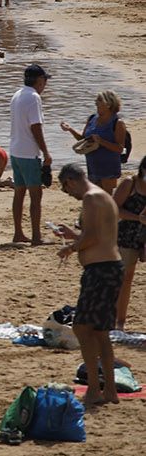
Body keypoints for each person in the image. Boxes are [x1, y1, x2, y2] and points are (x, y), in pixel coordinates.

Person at [57, 162, 124, 406]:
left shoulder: (90, 198)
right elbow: (99, 236)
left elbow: (93, 237)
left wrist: (71, 247)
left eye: (67, 190)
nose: (70, 195)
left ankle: (95, 389)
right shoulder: (102, 196)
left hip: (101, 271)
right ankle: (109, 390)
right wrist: (74, 237)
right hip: (108, 267)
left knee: (82, 327)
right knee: (100, 332)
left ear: (71, 181)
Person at [8, 64, 53, 245]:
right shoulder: (34, 97)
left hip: (15, 150)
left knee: (19, 193)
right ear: (39, 80)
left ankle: (18, 233)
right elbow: (36, 127)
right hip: (28, 153)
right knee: (36, 195)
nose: (45, 84)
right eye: (45, 80)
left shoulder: (17, 94)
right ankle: (36, 236)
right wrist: (46, 152)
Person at [61, 90, 127, 193]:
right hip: (92, 166)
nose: (96, 102)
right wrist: (70, 129)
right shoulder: (92, 119)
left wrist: (101, 141)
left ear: (109, 104)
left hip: (108, 166)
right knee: (96, 197)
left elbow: (119, 148)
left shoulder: (117, 123)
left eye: (99, 100)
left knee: (107, 198)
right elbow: (82, 139)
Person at [114, 158, 146, 328]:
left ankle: (120, 320)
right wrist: (138, 218)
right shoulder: (130, 183)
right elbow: (114, 208)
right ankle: (118, 321)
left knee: (128, 277)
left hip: (143, 236)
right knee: (124, 277)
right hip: (126, 234)